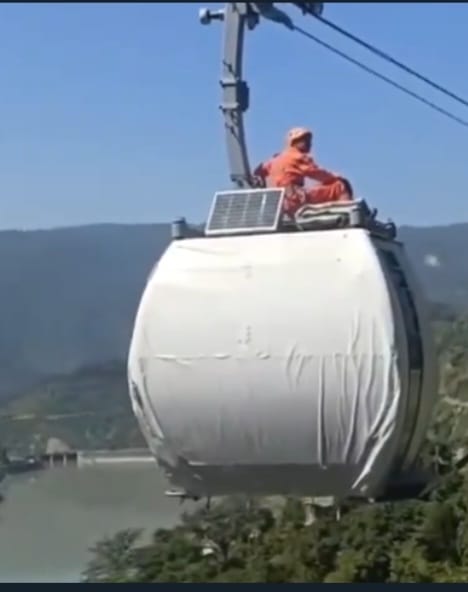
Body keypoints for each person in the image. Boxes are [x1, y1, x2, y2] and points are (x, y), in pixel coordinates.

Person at [252, 127, 353, 218]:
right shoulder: (298, 157)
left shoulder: (275, 159)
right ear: (294, 142)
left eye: (309, 140)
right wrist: (337, 176)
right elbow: (318, 174)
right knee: (339, 186)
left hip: (280, 203)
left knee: (319, 188)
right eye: (304, 140)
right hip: (296, 200)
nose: (309, 143)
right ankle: (347, 217)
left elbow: (257, 173)